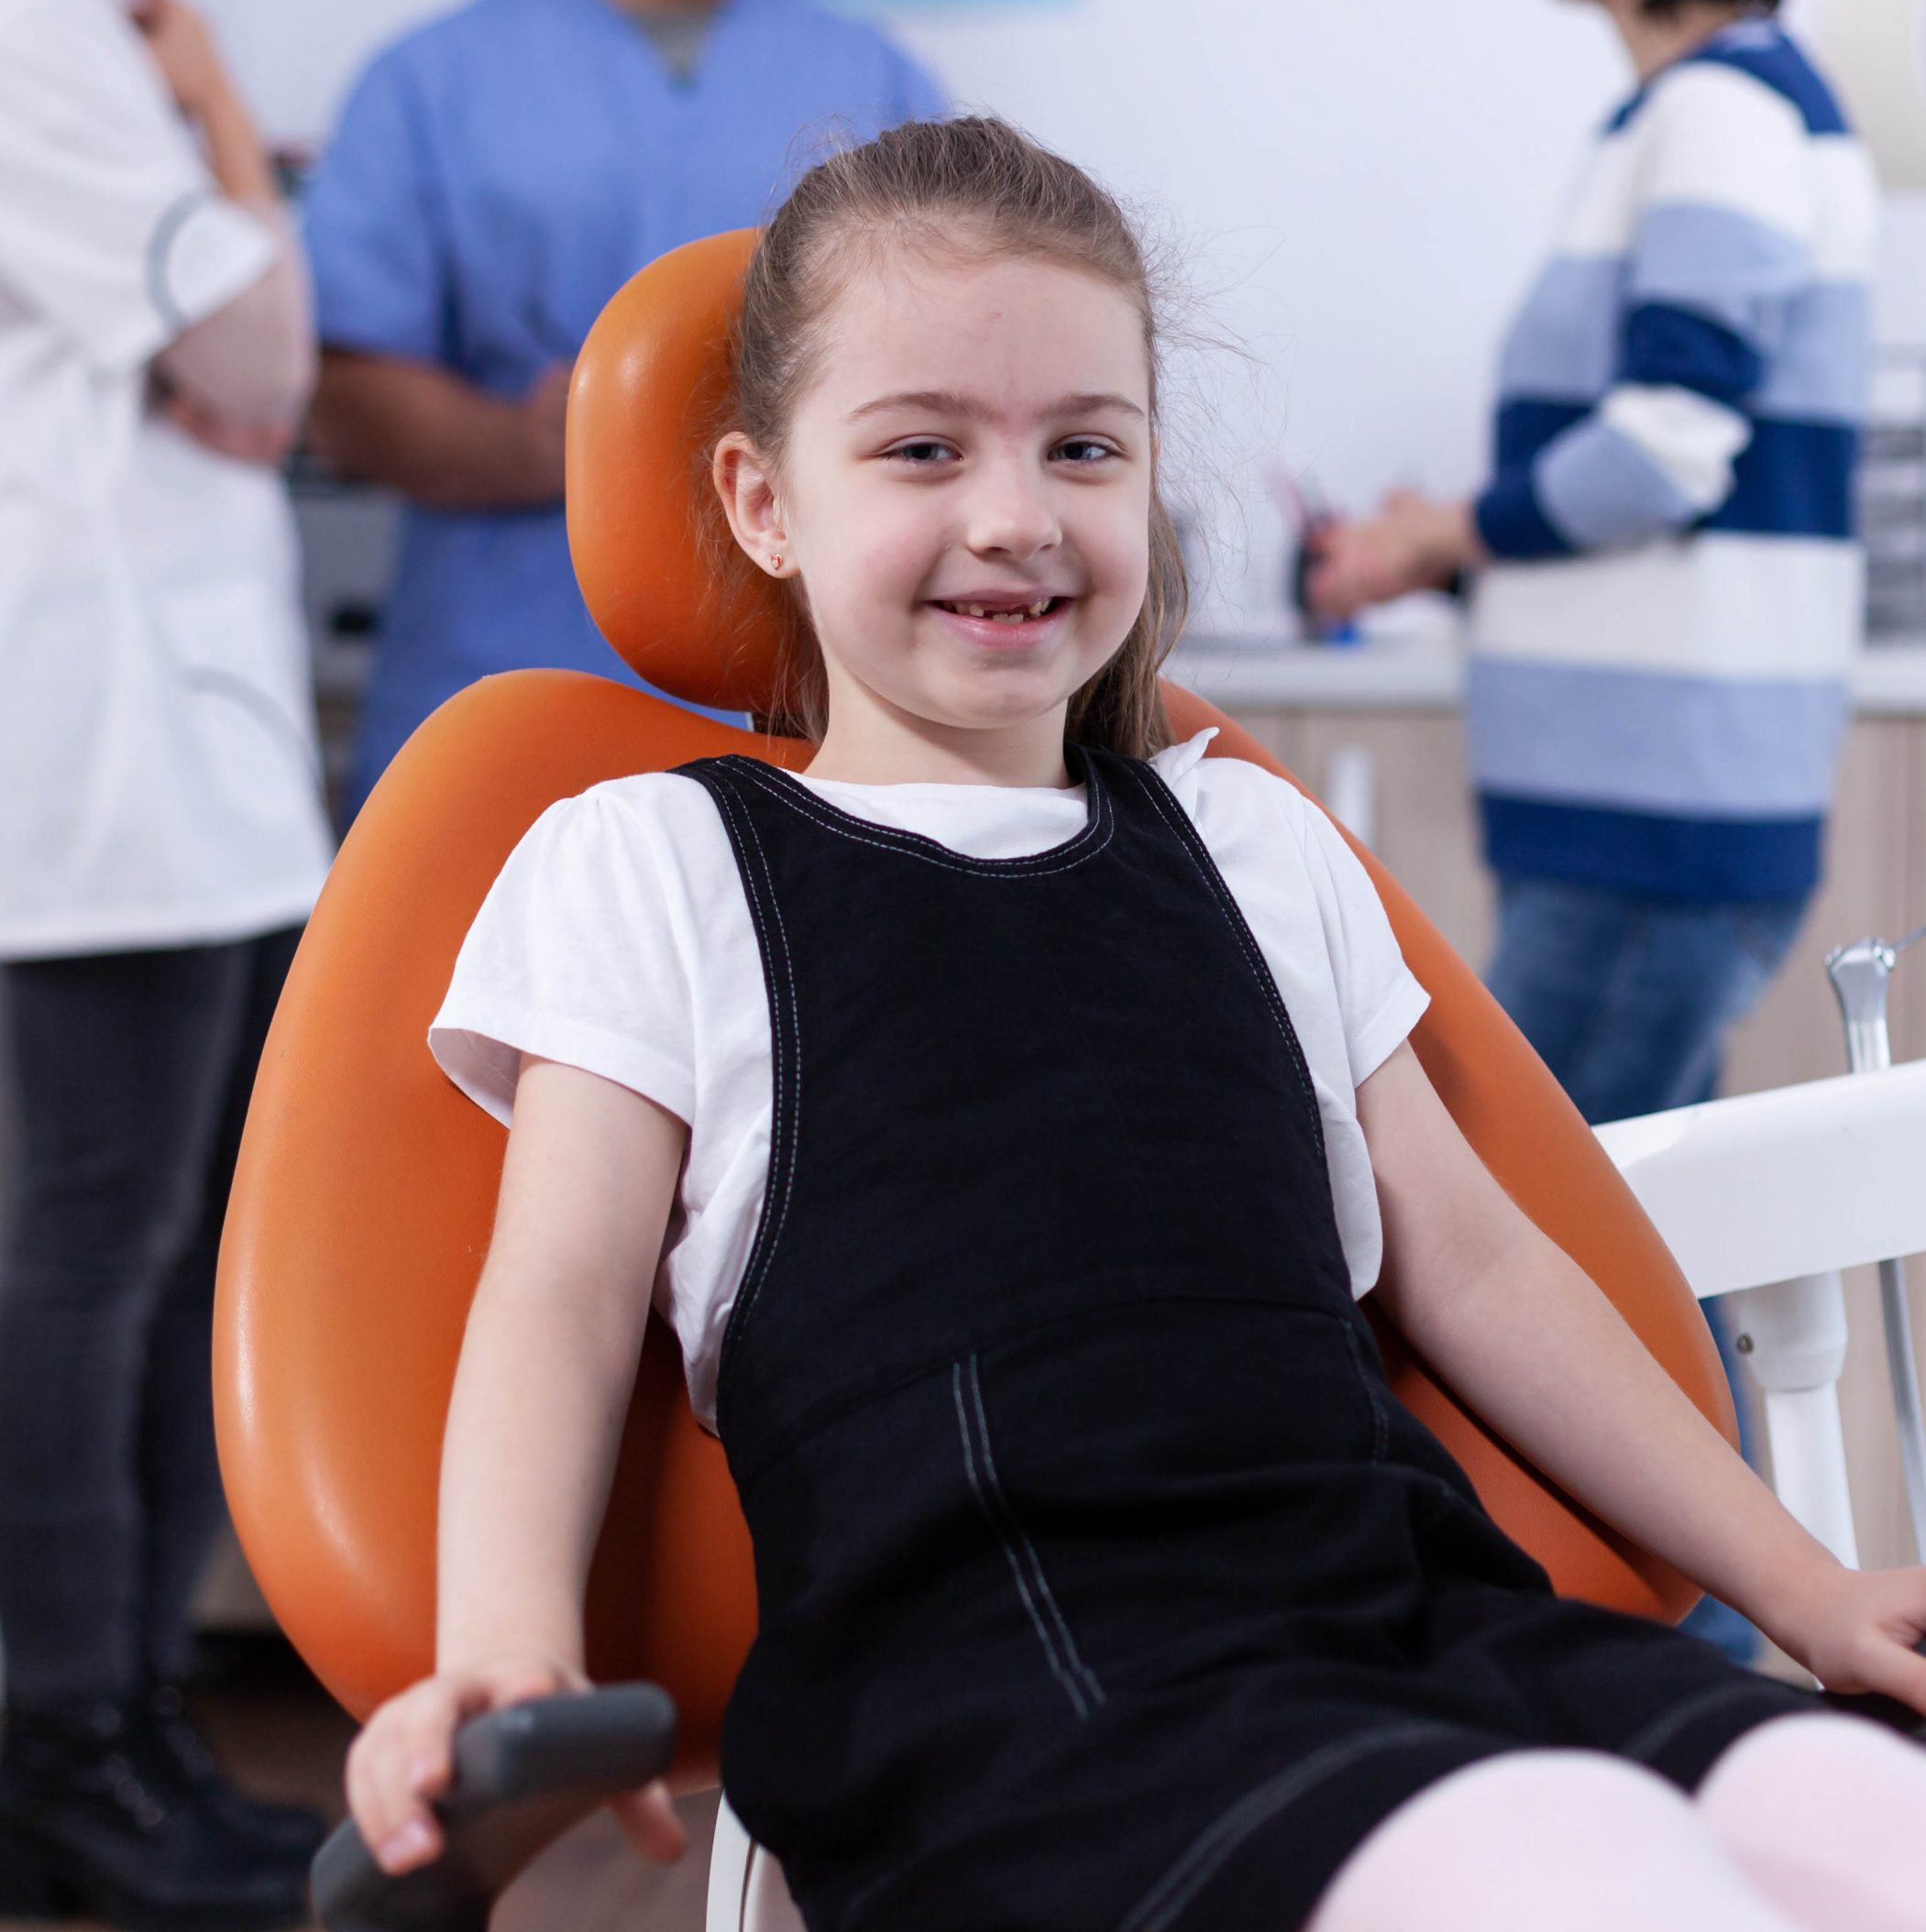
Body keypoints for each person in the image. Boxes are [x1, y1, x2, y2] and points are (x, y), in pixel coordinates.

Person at [346, 116, 1926, 1932]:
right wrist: (508, 1657)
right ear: (764, 501)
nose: (1014, 512)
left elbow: (1478, 1265)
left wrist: (1807, 1588)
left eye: (1083, 447)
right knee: (1584, 1870)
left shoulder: (1248, 837)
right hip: (1014, 1714)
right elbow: (552, 1293)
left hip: (1414, 1623)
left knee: (1862, 1814)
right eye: (922, 446)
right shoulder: (654, 862)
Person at [1306, 0, 1875, 1660]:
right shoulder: (1686, 117)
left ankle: (1706, 1703)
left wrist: (1432, 535)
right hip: (1647, 811)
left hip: (1656, 819)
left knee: (1557, 1283)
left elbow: (1670, 445)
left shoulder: (1717, 113)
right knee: (1631, 1265)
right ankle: (1719, 1701)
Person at [0, 0, 330, 1925]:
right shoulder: (27, 29)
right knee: (91, 1259)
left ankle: (124, 1733)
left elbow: (236, 367)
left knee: (155, 1246)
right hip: (92, 767)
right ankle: (64, 1746)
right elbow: (269, 356)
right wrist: (227, 116)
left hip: (173, 762)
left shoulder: (76, 20)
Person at [303, 0, 944, 817]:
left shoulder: (876, 88)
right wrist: (535, 445)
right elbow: (338, 387)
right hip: (494, 718)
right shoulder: (429, 83)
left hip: (803, 748)